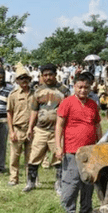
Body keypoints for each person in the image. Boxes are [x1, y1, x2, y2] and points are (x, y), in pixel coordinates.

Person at [55, 72, 102, 213]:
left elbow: (98, 126)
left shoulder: (93, 104)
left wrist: (101, 145)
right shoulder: (67, 102)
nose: (83, 90)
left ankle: (86, 211)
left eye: (86, 87)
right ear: (74, 86)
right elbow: (59, 126)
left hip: (90, 151)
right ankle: (67, 211)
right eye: (80, 87)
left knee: (88, 182)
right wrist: (58, 146)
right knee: (71, 181)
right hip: (71, 150)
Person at [24, 64, 70, 193]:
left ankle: (59, 184)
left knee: (58, 158)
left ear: (55, 75)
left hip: (57, 131)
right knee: (34, 157)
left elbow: (68, 110)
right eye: (45, 75)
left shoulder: (64, 90)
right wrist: (30, 128)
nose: (48, 77)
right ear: (42, 76)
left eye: (50, 75)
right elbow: (34, 111)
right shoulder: (38, 91)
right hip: (41, 130)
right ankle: (31, 183)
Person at [6, 65, 33, 186]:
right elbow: (9, 113)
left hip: (32, 130)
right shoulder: (13, 95)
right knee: (14, 157)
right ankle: (13, 178)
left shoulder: (35, 94)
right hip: (18, 129)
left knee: (31, 157)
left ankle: (30, 179)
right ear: (17, 80)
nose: (24, 80)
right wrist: (11, 131)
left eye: (26, 78)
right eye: (21, 78)